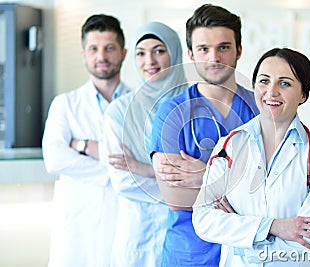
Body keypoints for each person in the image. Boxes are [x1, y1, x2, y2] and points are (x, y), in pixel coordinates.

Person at [192, 47, 310, 266]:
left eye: (285, 83)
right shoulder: (228, 146)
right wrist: (274, 227)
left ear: (303, 95)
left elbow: (308, 241)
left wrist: (240, 237)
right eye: (264, 81)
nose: (271, 92)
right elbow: (203, 221)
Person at [151, 4, 259, 266]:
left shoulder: (261, 109)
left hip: (248, 253)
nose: (214, 57)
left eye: (223, 47)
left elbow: (275, 191)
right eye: (203, 49)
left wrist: (205, 175)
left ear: (239, 50)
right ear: (190, 53)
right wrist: (237, 185)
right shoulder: (172, 113)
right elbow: (176, 198)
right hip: (191, 255)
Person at [42, 14, 130, 267]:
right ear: (84, 54)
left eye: (109, 48)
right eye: (93, 48)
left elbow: (143, 162)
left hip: (124, 218)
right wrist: (115, 171)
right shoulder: (65, 104)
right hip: (78, 223)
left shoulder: (139, 103)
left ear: (123, 53)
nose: (101, 56)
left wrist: (82, 146)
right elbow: (55, 160)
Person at [101, 21, 187, 267]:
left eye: (159, 50)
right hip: (138, 232)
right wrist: (183, 189)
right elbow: (124, 180)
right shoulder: (120, 111)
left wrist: (146, 169)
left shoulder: (195, 105)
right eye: (141, 53)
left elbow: (210, 175)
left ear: (175, 53)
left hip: (188, 233)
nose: (149, 60)